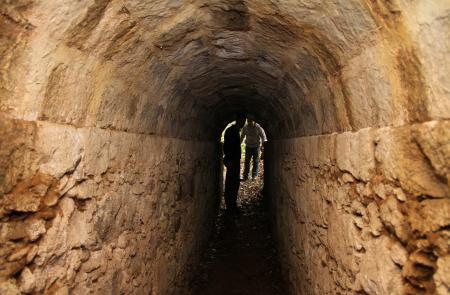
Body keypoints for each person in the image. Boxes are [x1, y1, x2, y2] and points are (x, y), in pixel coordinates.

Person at [223, 114, 246, 215]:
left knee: (234, 183)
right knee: (231, 184)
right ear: (237, 120)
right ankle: (230, 207)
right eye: (241, 121)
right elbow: (227, 147)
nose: (243, 123)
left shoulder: (235, 131)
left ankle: (232, 205)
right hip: (231, 161)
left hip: (234, 161)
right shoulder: (231, 131)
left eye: (244, 121)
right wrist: (228, 160)